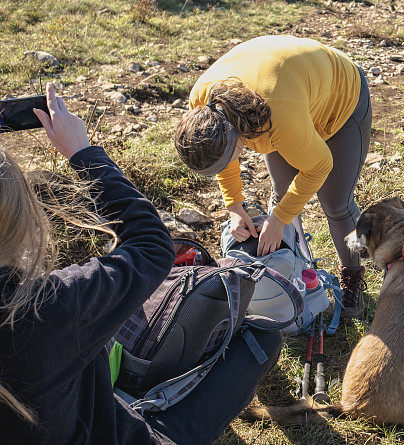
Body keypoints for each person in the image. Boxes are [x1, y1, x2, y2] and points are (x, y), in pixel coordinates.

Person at [0, 83, 282, 444]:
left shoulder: (58, 305)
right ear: (19, 220)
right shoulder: (51, 306)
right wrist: (83, 153)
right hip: (115, 433)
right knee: (264, 336)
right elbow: (151, 244)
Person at [174, 36, 372, 320]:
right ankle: (290, 271)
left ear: (239, 137)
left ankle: (352, 276)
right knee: (281, 196)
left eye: (230, 156)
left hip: (340, 95)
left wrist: (278, 220)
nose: (228, 164)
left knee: (335, 203)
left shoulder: (277, 117)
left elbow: (319, 166)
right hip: (288, 87)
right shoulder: (202, 104)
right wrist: (234, 206)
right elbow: (224, 159)